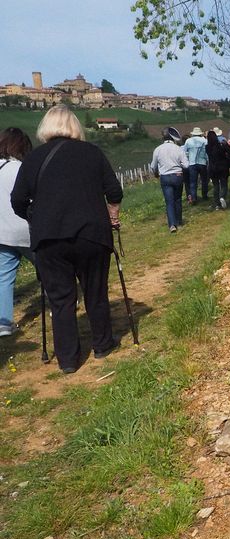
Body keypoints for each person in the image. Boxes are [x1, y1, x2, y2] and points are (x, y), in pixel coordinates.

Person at [10, 105, 122, 373]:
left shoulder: (33, 159)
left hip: (49, 238)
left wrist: (35, 218)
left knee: (61, 300)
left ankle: (68, 361)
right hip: (91, 234)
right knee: (95, 292)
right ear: (75, 127)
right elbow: (114, 191)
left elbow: (17, 200)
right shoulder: (92, 153)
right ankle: (102, 345)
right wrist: (112, 214)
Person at [0, 127, 34, 337]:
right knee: (48, 268)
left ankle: (4, 322)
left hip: (2, 232)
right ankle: (58, 303)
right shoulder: (22, 168)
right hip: (26, 230)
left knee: (4, 277)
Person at [150, 127, 188, 233]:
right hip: (177, 175)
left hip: (165, 177)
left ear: (163, 138)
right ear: (173, 138)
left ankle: (172, 224)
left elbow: (153, 166)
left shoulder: (157, 149)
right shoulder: (178, 148)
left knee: (169, 201)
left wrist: (156, 173)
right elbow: (186, 165)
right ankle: (179, 221)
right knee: (178, 199)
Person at [206, 129, 230, 210]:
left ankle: (217, 204)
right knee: (224, 184)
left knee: (216, 186)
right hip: (223, 167)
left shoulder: (207, 147)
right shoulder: (221, 145)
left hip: (213, 168)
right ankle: (222, 197)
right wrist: (226, 145)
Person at [184, 127, 209, 205]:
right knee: (204, 180)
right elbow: (207, 152)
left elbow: (185, 152)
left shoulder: (188, 141)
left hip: (192, 163)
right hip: (202, 163)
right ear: (200, 134)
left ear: (193, 134)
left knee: (193, 182)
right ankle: (204, 195)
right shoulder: (205, 141)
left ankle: (194, 197)